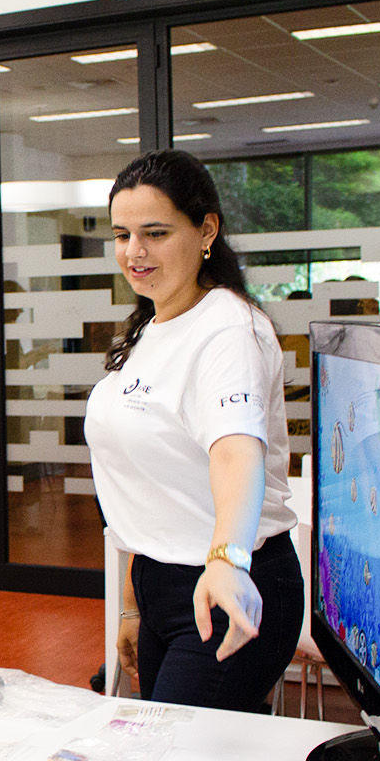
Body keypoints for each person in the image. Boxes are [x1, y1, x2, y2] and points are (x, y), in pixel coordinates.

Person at [85, 149, 301, 713]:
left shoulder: (228, 330)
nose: (134, 252)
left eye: (155, 233)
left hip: (227, 583)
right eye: (122, 234)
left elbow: (235, 453)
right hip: (162, 583)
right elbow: (152, 488)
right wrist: (135, 605)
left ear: (207, 230)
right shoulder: (154, 324)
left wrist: (227, 560)